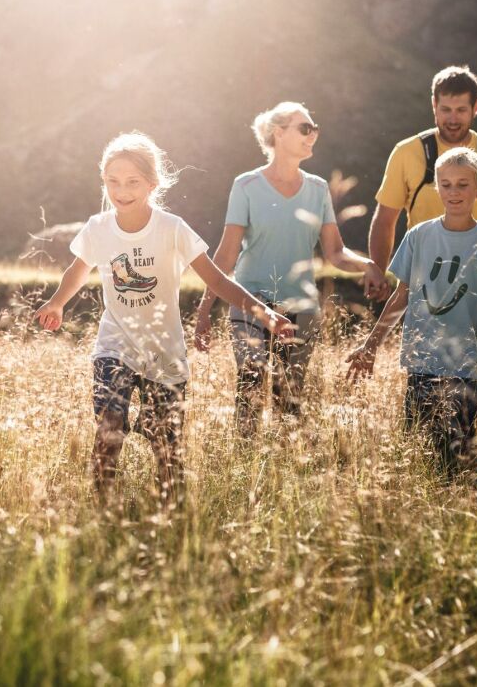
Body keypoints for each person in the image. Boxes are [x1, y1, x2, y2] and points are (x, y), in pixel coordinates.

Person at [36, 131, 293, 507]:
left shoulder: (171, 228)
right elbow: (78, 269)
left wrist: (264, 312)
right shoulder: (98, 228)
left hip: (165, 354)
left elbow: (217, 279)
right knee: (108, 430)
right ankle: (103, 510)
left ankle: (170, 516)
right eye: (112, 182)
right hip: (115, 346)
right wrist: (58, 302)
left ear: (152, 183)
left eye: (132, 182)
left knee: (166, 447)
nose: (121, 190)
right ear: (103, 181)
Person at [193, 102, 387, 436]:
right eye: (304, 128)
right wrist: (205, 309)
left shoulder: (318, 189)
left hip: (302, 307)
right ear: (278, 133)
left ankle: (284, 475)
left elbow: (335, 253)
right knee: (250, 387)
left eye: (315, 129)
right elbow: (225, 257)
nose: (313, 135)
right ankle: (244, 472)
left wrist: (367, 265)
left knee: (289, 401)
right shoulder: (246, 186)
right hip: (250, 302)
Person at [348, 148, 477, 472]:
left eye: (462, 184)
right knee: (416, 454)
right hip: (421, 365)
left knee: (453, 459)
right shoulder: (419, 236)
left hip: (467, 370)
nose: (453, 192)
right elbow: (401, 296)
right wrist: (370, 345)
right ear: (437, 187)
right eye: (445, 184)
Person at [369, 65, 477, 319]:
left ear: (476, 108)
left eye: (461, 110)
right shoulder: (406, 152)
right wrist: (377, 271)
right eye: (446, 110)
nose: (453, 119)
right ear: (433, 105)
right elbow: (385, 219)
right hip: (422, 283)